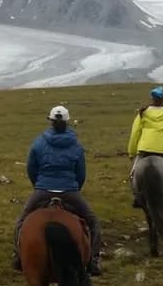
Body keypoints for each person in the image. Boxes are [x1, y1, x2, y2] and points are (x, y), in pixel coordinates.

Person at [13, 105, 102, 276]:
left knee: (21, 222)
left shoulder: (38, 142)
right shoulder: (76, 145)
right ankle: (93, 260)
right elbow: (81, 173)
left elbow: (31, 168)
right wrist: (74, 188)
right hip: (69, 190)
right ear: (67, 122)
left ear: (51, 122)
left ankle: (18, 256)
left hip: (43, 189)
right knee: (93, 222)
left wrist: (39, 185)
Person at [127, 85, 163, 210]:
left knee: (133, 174)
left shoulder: (143, 113)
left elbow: (135, 133)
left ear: (152, 98)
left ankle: (137, 198)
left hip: (145, 149)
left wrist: (131, 152)